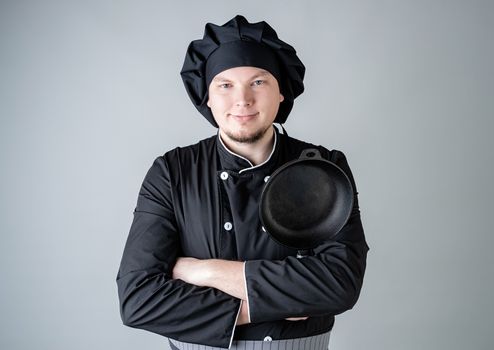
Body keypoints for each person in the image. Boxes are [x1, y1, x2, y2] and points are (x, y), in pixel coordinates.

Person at [116, 15, 369, 350]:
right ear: (207, 96)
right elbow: (137, 299)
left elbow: (340, 283)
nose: (243, 100)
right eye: (225, 85)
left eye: (259, 82)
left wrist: (205, 273)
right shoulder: (172, 172)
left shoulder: (325, 168)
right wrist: (278, 300)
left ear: (281, 92)